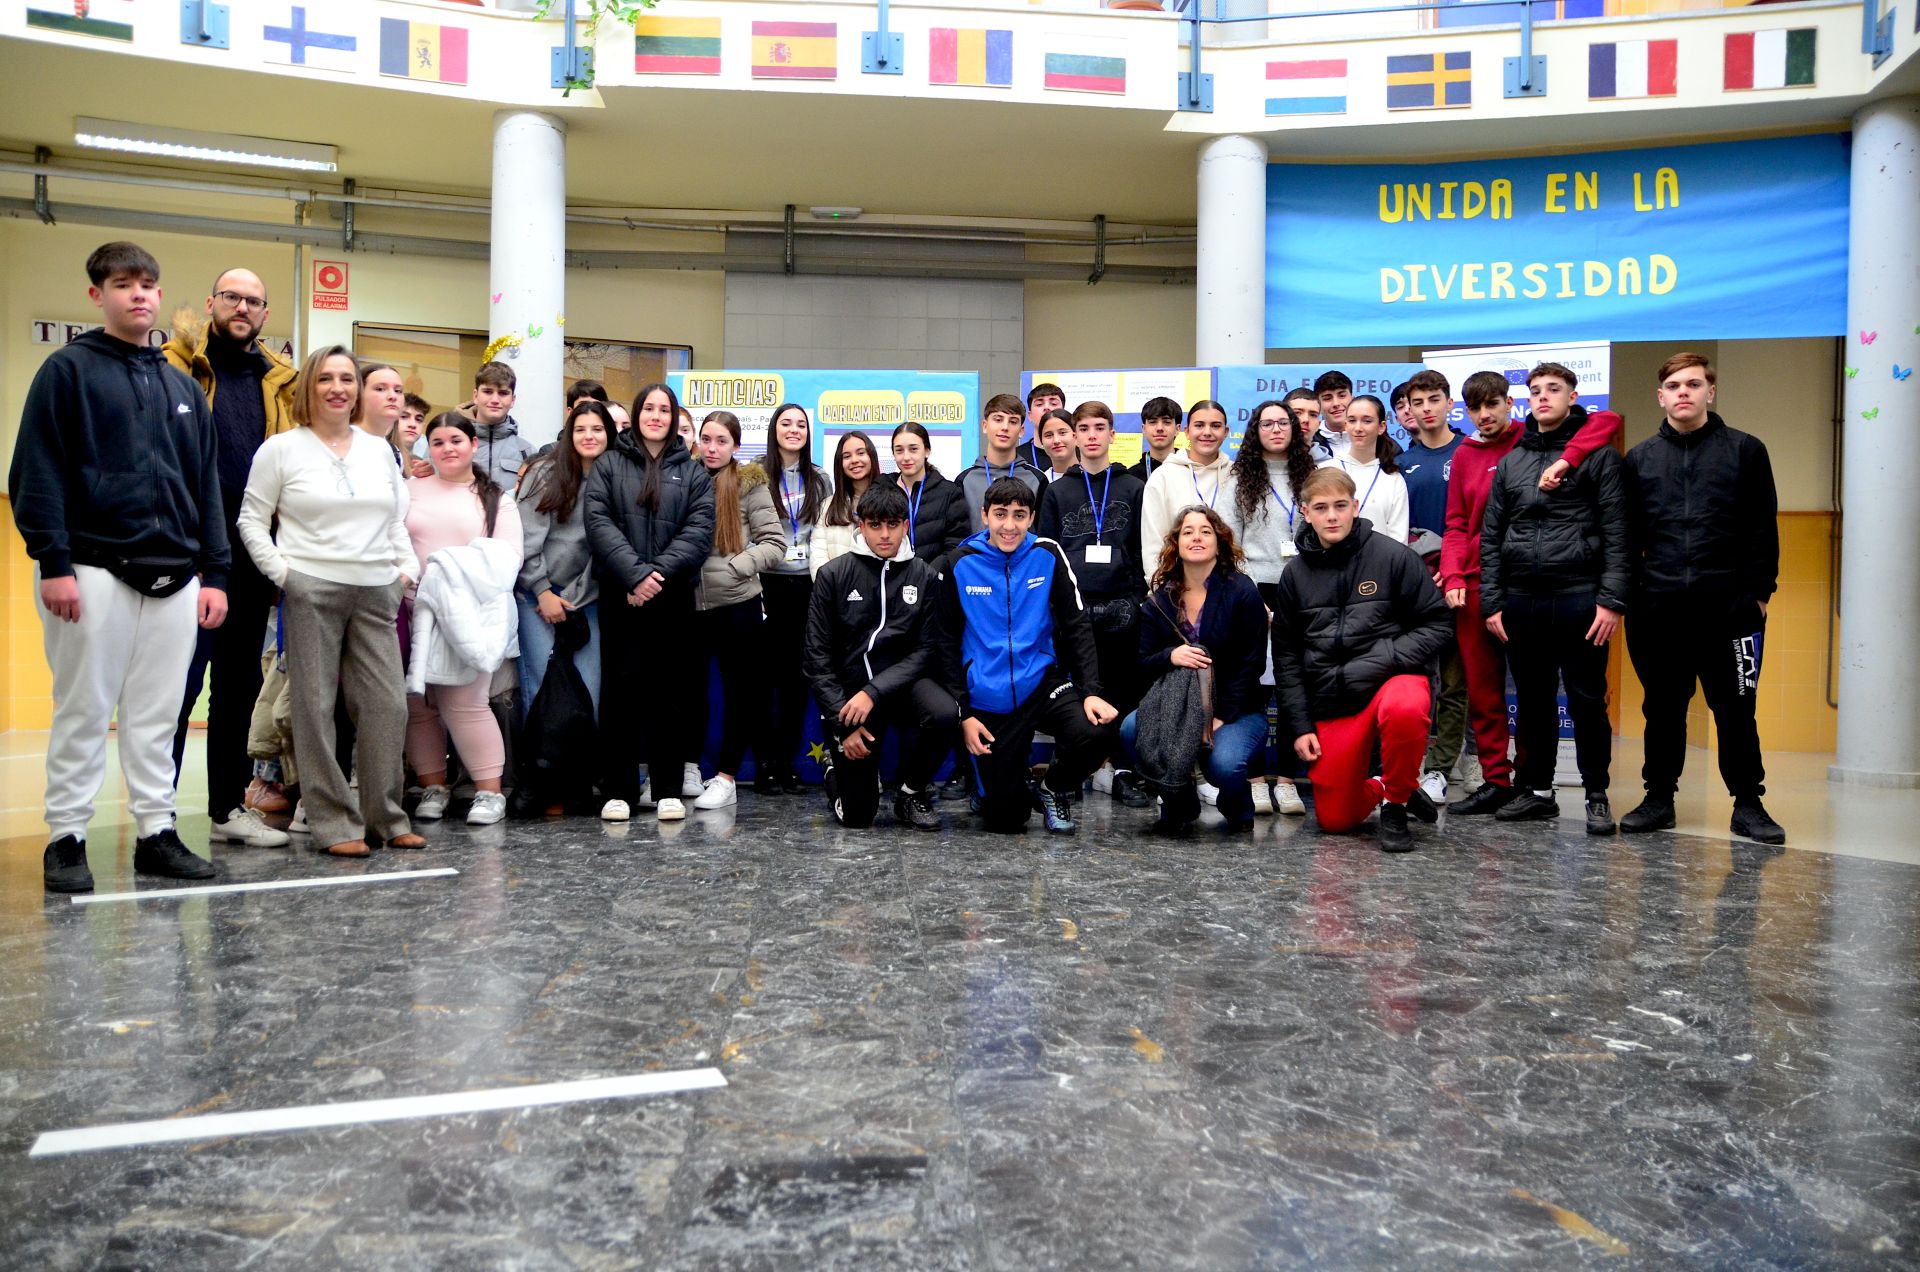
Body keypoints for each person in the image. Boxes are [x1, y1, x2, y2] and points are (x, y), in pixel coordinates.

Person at [15, 242, 231, 891]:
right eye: (122, 283)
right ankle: (66, 838)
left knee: (159, 715)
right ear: (97, 295)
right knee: (84, 707)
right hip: (90, 568)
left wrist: (215, 573)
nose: (138, 294)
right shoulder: (67, 372)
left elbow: (205, 485)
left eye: (148, 285)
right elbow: (38, 469)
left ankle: (155, 835)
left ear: (160, 296)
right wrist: (53, 561)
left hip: (176, 577)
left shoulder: (182, 387)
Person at [237, 345, 424, 858]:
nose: (338, 387)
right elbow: (252, 520)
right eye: (326, 378)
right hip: (310, 588)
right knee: (314, 709)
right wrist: (284, 574)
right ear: (308, 388)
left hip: (376, 590)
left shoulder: (376, 450)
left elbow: (391, 520)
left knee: (387, 707)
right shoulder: (280, 449)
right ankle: (332, 822)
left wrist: (405, 571)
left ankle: (386, 816)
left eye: (347, 378)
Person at [1621, 353, 1786, 844]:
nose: (1684, 392)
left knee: (1736, 710)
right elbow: (1626, 537)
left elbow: (1763, 527)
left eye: (1694, 384)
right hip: (1659, 611)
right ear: (1662, 396)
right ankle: (1659, 799)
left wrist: (1757, 597)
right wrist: (1636, 596)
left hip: (1730, 611)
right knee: (1663, 709)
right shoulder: (1640, 459)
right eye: (1674, 385)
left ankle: (1749, 804)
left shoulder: (1746, 451)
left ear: (1710, 392)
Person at [1441, 370, 1618, 816]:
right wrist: (1461, 577)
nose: (1485, 415)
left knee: (1580, 698)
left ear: (1508, 404)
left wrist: (1611, 598)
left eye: (1493, 404)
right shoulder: (1487, 455)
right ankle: (1515, 785)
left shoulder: (1554, 445)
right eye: (1475, 408)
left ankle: (1587, 792)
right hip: (1503, 590)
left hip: (1570, 591)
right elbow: (1472, 526)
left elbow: (1607, 422)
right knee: (1512, 695)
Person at [161, 265, 295, 854]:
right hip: (186, 557)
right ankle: (156, 814)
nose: (243, 307)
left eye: (255, 301)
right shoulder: (174, 368)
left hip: (250, 558)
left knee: (238, 689)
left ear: (265, 315)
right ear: (212, 302)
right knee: (175, 689)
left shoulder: (279, 383)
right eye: (233, 297)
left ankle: (224, 808)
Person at [1271, 468, 1450, 852]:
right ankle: (1385, 785)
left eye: (1340, 506)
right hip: (1335, 699)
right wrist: (1300, 725)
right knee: (1336, 820)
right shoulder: (1294, 575)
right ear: (1306, 512)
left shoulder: (1393, 556)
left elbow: (1437, 624)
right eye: (1321, 508)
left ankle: (1396, 804)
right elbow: (1286, 656)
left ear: (1355, 507)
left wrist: (1382, 659)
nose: (1332, 516)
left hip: (1391, 682)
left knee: (1406, 705)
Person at [934, 478, 1118, 834]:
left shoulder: (1046, 554)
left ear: (1031, 517)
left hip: (1041, 683)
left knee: (1099, 731)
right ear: (984, 515)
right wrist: (965, 714)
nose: (1009, 525)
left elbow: (1077, 624)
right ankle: (990, 785)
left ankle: (1053, 788)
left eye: (1019, 516)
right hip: (987, 697)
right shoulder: (957, 564)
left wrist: (1091, 691)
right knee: (1005, 818)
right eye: (1000, 514)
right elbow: (944, 645)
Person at [584, 382, 715, 822]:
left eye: (664, 409)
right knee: (620, 692)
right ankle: (619, 789)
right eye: (649, 409)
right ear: (637, 414)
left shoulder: (693, 472)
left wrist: (655, 576)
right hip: (622, 596)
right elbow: (598, 522)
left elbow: (699, 532)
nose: (656, 416)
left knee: (670, 695)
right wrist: (635, 575)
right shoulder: (608, 464)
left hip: (671, 597)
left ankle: (667, 790)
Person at [405, 413, 524, 826]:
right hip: (410, 608)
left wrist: (446, 572)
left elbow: (509, 557)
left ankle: (489, 793)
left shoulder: (495, 498)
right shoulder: (409, 491)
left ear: (474, 445)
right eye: (437, 442)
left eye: (455, 440)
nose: (447, 449)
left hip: (470, 614)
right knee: (418, 704)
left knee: (466, 703)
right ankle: (434, 785)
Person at [805, 483, 946, 830]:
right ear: (860, 525)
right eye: (875, 525)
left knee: (945, 714)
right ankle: (833, 768)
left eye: (893, 525)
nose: (885, 535)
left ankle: (910, 793)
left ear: (905, 525)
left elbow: (926, 649)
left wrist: (875, 692)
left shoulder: (924, 575)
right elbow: (817, 658)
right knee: (858, 816)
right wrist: (842, 724)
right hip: (849, 698)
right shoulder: (833, 575)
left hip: (899, 688)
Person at [1124, 507, 1271, 836]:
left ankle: (1238, 808)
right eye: (1188, 531)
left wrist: (1218, 716)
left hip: (1237, 709)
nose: (1196, 537)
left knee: (1224, 765)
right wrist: (1171, 655)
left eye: (1205, 531)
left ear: (1219, 543)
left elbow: (1252, 664)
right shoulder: (1160, 599)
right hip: (1174, 705)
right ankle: (1179, 801)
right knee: (1130, 730)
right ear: (1176, 543)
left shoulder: (1242, 591)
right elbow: (1142, 662)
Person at [1036, 401, 1152, 807]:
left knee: (1122, 687)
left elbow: (1143, 546)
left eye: (1099, 427)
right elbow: (1046, 550)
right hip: (1074, 608)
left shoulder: (1135, 487)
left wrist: (1139, 597)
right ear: (1074, 435)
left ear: (1112, 435)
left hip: (1123, 602)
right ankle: (1079, 766)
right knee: (1082, 686)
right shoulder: (1057, 490)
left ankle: (1120, 769)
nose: (1090, 435)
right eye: (1082, 427)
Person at [510, 399, 610, 818]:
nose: (589, 436)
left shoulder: (615, 477)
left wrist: (577, 597)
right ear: (570, 433)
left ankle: (576, 784)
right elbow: (525, 541)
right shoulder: (545, 473)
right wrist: (543, 592)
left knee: (588, 693)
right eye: (581, 428)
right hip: (539, 600)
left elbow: (606, 548)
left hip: (587, 602)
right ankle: (538, 783)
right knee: (540, 693)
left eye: (598, 429)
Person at [1222, 397, 1317, 817]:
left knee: (1295, 685)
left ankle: (1290, 780)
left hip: (1303, 589)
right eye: (1267, 423)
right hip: (1253, 592)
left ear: (1295, 429)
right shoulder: (1239, 479)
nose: (1276, 429)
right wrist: (1250, 597)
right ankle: (1257, 778)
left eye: (1284, 423)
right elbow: (1228, 543)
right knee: (1255, 688)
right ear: (1255, 431)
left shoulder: (1312, 476)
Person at [691, 410, 788, 810]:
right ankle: (685, 769)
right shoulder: (685, 477)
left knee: (740, 694)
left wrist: (737, 567)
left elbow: (774, 543)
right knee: (688, 692)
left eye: (722, 441)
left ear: (735, 446)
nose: (713, 448)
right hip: (688, 606)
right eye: (707, 439)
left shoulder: (750, 485)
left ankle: (727, 776)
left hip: (737, 605)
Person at [1399, 370, 1471, 807]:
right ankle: (1406, 765)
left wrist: (1454, 566)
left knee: (1456, 681)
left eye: (1433, 400)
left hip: (1458, 583)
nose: (1425, 408)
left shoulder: (1467, 451)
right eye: (1417, 401)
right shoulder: (1400, 463)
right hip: (1414, 587)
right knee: (1414, 681)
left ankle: (1441, 770)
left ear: (1448, 404)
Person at [758, 402, 832, 795]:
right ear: (774, 429)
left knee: (794, 681)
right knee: (763, 679)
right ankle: (765, 765)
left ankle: (785, 764)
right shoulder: (754, 472)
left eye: (801, 424)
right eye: (786, 423)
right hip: (764, 583)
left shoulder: (820, 477)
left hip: (805, 586)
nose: (793, 429)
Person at [1141, 398, 1232, 561]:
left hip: (1229, 579)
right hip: (1177, 581)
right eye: (1199, 425)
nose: (1207, 432)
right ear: (1186, 431)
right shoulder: (1162, 477)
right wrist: (1161, 585)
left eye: (1216, 426)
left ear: (1226, 432)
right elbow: (1152, 544)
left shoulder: (1236, 475)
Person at [1317, 394, 1409, 546]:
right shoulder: (1326, 470)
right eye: (1352, 420)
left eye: (1367, 421)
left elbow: (1398, 541)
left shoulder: (1393, 479)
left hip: (1380, 566)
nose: (1358, 428)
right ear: (1346, 425)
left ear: (1381, 427)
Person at [884, 420, 971, 575]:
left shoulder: (949, 492)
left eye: (913, 449)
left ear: (927, 451)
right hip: (891, 582)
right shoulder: (883, 489)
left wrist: (930, 574)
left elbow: (956, 543)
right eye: (899, 450)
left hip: (933, 584)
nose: (906, 457)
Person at [958, 394, 1044, 531]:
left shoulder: (1037, 479)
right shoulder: (964, 480)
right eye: (998, 419)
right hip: (977, 552)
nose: (1005, 427)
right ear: (985, 426)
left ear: (1021, 431)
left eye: (1013, 421)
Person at [809, 431, 879, 578]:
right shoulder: (827, 507)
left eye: (860, 453)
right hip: (838, 594)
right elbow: (818, 559)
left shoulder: (889, 501)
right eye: (847, 456)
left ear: (871, 456)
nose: (854, 460)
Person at [470, 361, 533, 489]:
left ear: (512, 400)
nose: (495, 400)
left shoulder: (527, 452)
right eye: (488, 392)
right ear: (476, 396)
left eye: (503, 393)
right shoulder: (450, 445)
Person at [1129, 396, 1183, 484]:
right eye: (1153, 422)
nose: (1159, 428)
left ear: (1177, 429)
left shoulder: (1191, 471)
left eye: (1167, 422)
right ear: (1144, 429)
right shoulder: (1131, 477)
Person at [1311, 370, 1354, 460]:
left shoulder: (1375, 441)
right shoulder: (1310, 443)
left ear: (1353, 399)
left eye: (1342, 396)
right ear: (1318, 404)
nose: (1336, 403)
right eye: (1327, 398)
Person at [1023, 381, 1066, 469]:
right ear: (1030, 416)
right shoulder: (1017, 457)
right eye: (1039, 404)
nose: (1047, 408)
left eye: (1053, 403)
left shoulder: (1079, 454)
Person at [396, 392, 434, 477]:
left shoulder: (423, 465)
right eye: (404, 416)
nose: (413, 424)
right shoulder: (377, 455)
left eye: (419, 419)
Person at [1035, 408, 1078, 483]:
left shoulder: (1093, 478)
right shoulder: (1038, 483)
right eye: (1049, 435)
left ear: (1076, 436)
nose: (1056, 440)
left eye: (1062, 433)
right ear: (1041, 441)